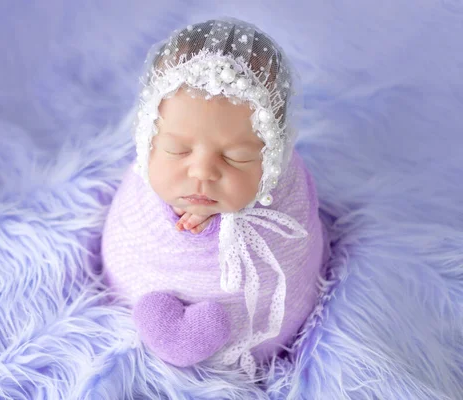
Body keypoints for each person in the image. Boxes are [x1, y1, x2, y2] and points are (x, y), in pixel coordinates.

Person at [101, 17, 331, 379]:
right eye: (177, 150)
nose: (202, 172)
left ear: (274, 155)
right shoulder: (141, 194)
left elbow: (290, 257)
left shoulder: (286, 195)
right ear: (147, 138)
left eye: (236, 157)